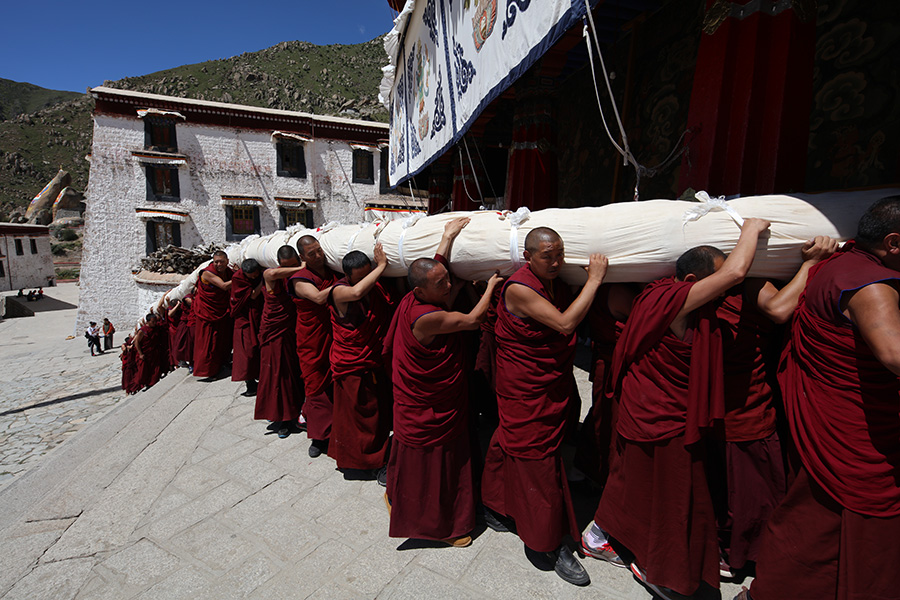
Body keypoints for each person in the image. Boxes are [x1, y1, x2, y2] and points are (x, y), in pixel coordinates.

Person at [592, 218, 770, 600]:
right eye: (720, 281)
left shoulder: (657, 293)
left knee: (635, 483)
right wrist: (751, 229)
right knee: (676, 498)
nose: (731, 287)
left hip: (647, 408)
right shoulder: (675, 301)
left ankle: (599, 533)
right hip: (661, 415)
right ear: (691, 281)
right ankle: (661, 569)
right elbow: (738, 269)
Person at [742, 197, 900, 600]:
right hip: (858, 436)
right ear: (894, 243)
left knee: (812, 518)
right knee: (844, 521)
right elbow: (894, 354)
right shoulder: (870, 284)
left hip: (831, 419)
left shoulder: (835, 264)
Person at [481, 227, 608, 586]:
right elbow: (566, 324)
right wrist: (595, 280)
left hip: (541, 385)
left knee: (513, 445)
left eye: (560, 254)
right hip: (525, 389)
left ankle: (495, 503)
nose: (556, 262)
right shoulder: (520, 288)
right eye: (547, 256)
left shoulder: (551, 283)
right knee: (537, 461)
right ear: (528, 257)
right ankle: (546, 544)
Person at [713, 236, 837, 577]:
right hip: (733, 395)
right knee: (742, 483)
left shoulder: (754, 280)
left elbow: (779, 308)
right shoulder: (732, 278)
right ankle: (736, 551)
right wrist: (811, 265)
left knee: (753, 482)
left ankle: (749, 549)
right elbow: (781, 310)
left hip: (751, 394)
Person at [384, 218, 501, 547]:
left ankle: (397, 495)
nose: (449, 286)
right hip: (428, 408)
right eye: (442, 284)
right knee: (435, 462)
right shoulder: (426, 315)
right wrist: (490, 285)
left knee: (416, 461)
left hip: (428, 399)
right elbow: (473, 320)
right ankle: (436, 526)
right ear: (420, 291)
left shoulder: (416, 295)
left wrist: (448, 236)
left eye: (448, 280)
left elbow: (437, 264)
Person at [329, 244, 393, 484]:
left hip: (371, 360)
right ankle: (364, 462)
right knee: (356, 417)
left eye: (369, 273)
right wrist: (382, 266)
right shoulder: (339, 291)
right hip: (351, 363)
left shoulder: (373, 288)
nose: (367, 280)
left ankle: (366, 456)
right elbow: (356, 294)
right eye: (361, 277)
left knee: (374, 415)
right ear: (347, 276)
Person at [290, 235, 340, 458]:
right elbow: (320, 298)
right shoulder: (299, 279)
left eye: (319, 251)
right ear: (302, 257)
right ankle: (318, 437)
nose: (318, 256)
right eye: (312, 254)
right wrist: (345, 283)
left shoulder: (330, 272)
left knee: (336, 384)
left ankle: (337, 432)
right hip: (312, 339)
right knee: (315, 386)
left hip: (334, 334)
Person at [254, 246, 305, 439]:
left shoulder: (294, 275)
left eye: (293, 265)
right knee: (276, 373)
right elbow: (273, 273)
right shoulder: (271, 275)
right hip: (273, 332)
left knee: (292, 372)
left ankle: (294, 411)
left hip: (290, 330)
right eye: (287, 266)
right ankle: (281, 419)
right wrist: (301, 267)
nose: (290, 269)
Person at [192, 251, 234, 379]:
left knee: (222, 340)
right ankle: (208, 371)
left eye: (221, 261)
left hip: (221, 311)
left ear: (227, 261)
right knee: (209, 342)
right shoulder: (207, 273)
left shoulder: (228, 271)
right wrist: (242, 275)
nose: (219, 264)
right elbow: (224, 286)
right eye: (216, 262)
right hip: (208, 313)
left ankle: (222, 363)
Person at [231, 258, 264, 397]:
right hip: (244, 319)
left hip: (257, 314)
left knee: (258, 349)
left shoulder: (260, 273)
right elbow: (253, 295)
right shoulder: (238, 278)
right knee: (246, 352)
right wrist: (263, 281)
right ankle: (250, 384)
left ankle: (259, 379)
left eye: (256, 274)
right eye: (252, 276)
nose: (254, 277)